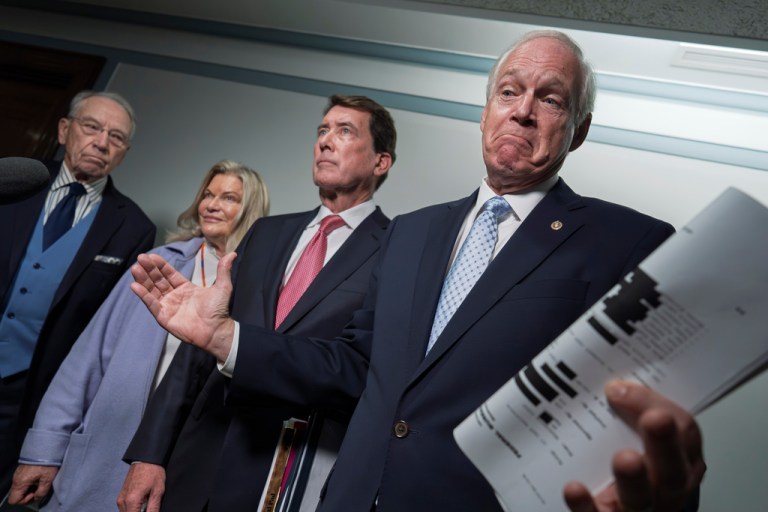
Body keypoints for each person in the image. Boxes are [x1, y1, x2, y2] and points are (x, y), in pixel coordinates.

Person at [129, 31, 705, 512]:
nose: (523, 110)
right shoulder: (413, 231)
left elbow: (643, 428)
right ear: (485, 114)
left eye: (551, 99)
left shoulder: (629, 242)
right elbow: (355, 366)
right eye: (509, 91)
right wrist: (224, 338)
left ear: (577, 129)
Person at [118, 95, 395, 512]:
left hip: (281, 470)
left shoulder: (396, 250)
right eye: (322, 131)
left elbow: (358, 372)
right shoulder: (266, 232)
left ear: (380, 162)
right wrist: (149, 453)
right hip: (197, 455)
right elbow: (197, 348)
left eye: (345, 132)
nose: (325, 142)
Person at [6, 160, 269, 511]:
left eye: (229, 197)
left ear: (250, 210)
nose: (212, 204)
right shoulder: (159, 262)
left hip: (174, 468)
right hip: (100, 456)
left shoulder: (256, 289)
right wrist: (44, 449)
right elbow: (88, 357)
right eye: (208, 194)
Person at [0, 90, 156, 496]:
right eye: (92, 127)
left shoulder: (134, 227)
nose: (102, 142)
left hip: (29, 396)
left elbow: (107, 334)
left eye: (116, 137)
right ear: (64, 129)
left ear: (124, 151)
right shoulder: (13, 184)